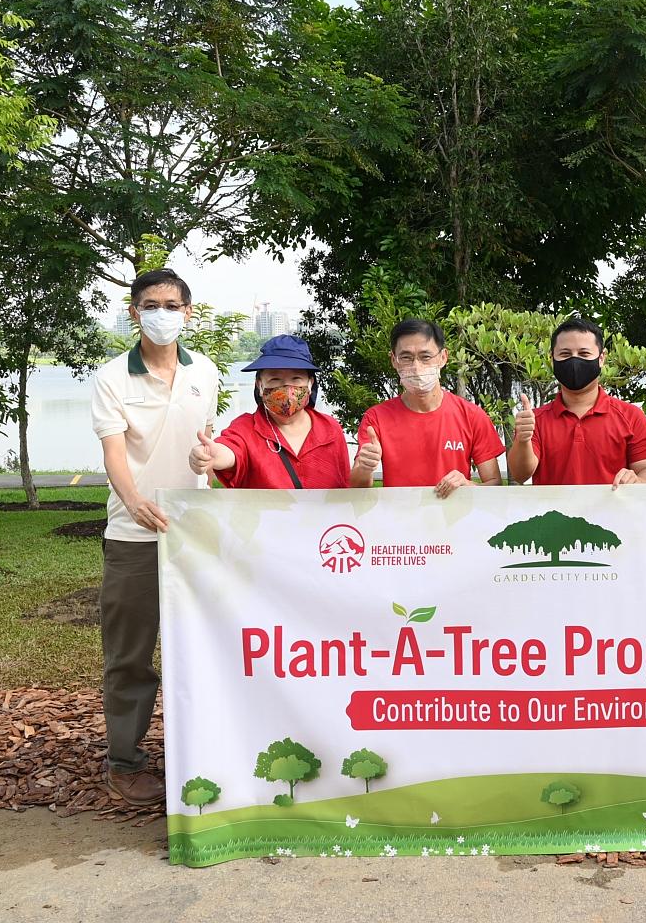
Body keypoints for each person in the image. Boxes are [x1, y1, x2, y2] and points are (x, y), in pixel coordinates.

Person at [89, 268, 219, 806]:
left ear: (189, 312)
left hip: (195, 535)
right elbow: (114, 452)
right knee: (130, 655)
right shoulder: (111, 377)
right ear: (134, 312)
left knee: (206, 650)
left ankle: (208, 752)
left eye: (172, 304)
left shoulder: (205, 372)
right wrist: (137, 501)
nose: (161, 313)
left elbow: (207, 446)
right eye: (151, 304)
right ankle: (125, 761)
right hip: (133, 535)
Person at [347, 319, 504, 497]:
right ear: (394, 360)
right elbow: (357, 487)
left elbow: (494, 484)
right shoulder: (376, 418)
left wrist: (467, 485)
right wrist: (365, 467)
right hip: (399, 519)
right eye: (406, 357)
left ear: (443, 357)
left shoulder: (471, 415)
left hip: (454, 521)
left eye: (425, 357)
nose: (416, 367)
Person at [507, 316, 646, 488]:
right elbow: (520, 474)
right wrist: (523, 440)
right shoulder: (536, 420)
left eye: (584, 353)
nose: (574, 360)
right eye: (565, 354)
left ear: (601, 358)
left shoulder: (631, 416)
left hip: (612, 514)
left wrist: (637, 480)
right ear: (552, 359)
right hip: (554, 515)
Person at [187, 334, 349, 489]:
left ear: (310, 383)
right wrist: (214, 455)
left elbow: (344, 488)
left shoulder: (330, 429)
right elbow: (230, 450)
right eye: (275, 379)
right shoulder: (245, 428)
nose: (287, 388)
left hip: (323, 518)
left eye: (296, 379)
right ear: (260, 385)